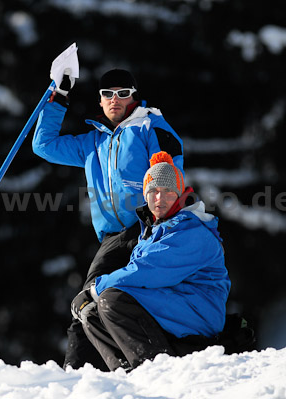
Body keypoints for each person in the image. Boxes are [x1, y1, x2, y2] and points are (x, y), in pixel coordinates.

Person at [32, 69, 185, 369]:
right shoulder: (94, 143)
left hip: (146, 230)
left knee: (113, 300)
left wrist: (159, 223)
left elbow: (168, 176)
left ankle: (138, 366)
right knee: (94, 303)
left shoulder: (149, 127)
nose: (114, 100)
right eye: (107, 94)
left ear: (134, 97)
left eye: (122, 93)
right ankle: (88, 373)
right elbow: (44, 145)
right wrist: (58, 97)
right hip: (112, 238)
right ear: (99, 101)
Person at [70, 151, 231, 371]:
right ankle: (127, 370)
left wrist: (95, 289)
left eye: (167, 191)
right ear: (145, 195)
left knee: (112, 299)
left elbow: (147, 271)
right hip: (173, 306)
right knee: (92, 310)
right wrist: (92, 296)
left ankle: (154, 369)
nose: (159, 198)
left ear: (180, 193)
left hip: (198, 315)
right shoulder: (153, 229)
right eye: (153, 191)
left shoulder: (191, 229)